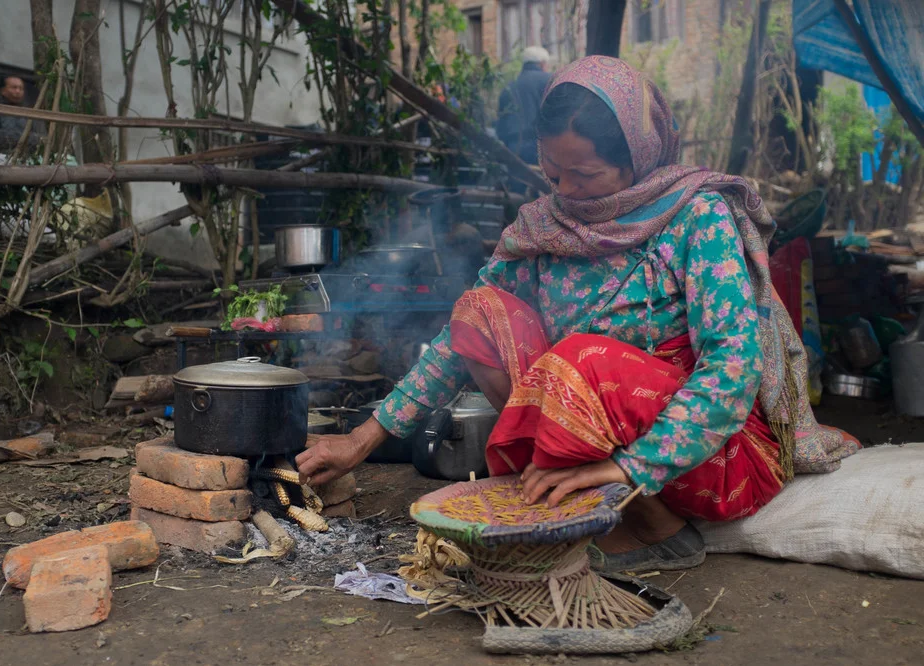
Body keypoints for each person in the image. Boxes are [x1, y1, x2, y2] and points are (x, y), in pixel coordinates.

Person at [298, 56, 860, 571]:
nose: (566, 192)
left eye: (585, 177)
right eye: (552, 173)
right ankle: (573, 502)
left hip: (706, 457)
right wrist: (362, 439)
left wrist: (632, 469)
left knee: (581, 358)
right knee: (480, 312)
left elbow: (734, 368)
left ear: (639, 157)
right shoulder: (546, 228)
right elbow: (457, 339)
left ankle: (657, 529)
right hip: (590, 416)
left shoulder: (697, 218)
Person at [496, 46, 552, 165]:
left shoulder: (509, 86)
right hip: (540, 149)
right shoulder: (549, 81)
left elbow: (501, 121)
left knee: (516, 181)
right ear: (542, 64)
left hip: (513, 148)